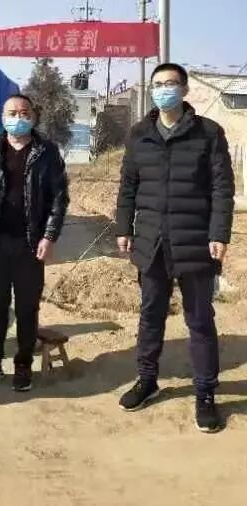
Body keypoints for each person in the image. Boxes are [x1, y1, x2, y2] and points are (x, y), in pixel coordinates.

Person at [115, 63, 235, 433]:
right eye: (157, 84)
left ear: (184, 90)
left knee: (199, 320)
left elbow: (222, 189)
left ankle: (205, 393)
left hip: (195, 242)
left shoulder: (208, 133)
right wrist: (124, 227)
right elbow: (128, 186)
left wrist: (219, 234)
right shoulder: (140, 134)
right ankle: (147, 379)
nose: (163, 89)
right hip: (151, 242)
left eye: (170, 83)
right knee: (150, 315)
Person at [0, 93, 69, 392]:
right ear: (2, 117)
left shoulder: (46, 151)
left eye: (24, 112)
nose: (18, 118)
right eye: (12, 113)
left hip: (29, 243)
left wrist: (49, 236)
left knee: (26, 307)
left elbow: (59, 198)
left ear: (33, 116)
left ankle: (23, 364)